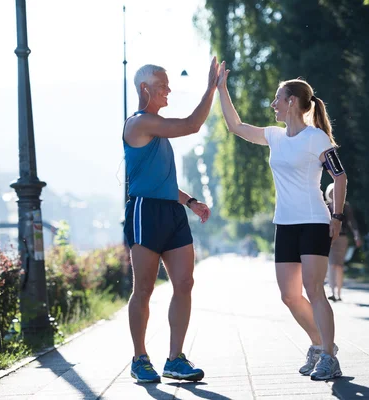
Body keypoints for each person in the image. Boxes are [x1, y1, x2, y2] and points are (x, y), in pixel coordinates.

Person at [216, 61, 346, 381]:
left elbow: (340, 177)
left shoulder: (317, 139)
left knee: (314, 290)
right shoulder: (274, 136)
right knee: (289, 296)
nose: (273, 104)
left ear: (292, 102)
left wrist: (338, 216)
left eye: (278, 98)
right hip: (285, 224)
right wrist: (221, 88)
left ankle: (329, 355)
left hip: (315, 220)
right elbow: (236, 126)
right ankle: (320, 345)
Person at [123, 58, 218, 383]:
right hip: (145, 212)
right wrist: (211, 89)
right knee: (145, 288)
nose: (169, 90)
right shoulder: (138, 124)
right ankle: (140, 358)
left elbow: (160, 179)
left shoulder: (157, 129)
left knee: (185, 283)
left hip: (171, 212)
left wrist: (190, 201)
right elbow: (192, 124)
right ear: (144, 89)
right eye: (162, 85)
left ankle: (175, 359)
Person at [324, 183, 362, 302]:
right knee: (331, 264)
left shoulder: (345, 207)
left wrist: (356, 235)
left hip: (342, 238)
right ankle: (332, 291)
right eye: (331, 192)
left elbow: (352, 222)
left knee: (339, 265)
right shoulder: (325, 206)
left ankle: (338, 292)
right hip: (328, 238)